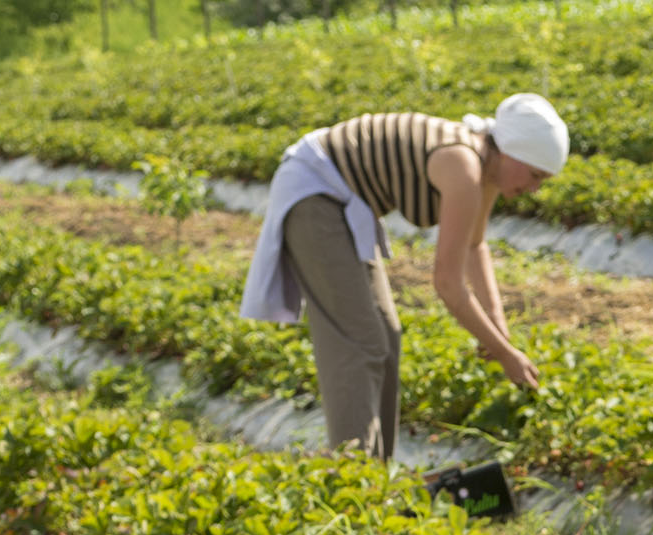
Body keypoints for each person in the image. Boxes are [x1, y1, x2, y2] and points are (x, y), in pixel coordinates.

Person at [237, 91, 567, 461]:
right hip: (316, 191)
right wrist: (507, 355)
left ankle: (378, 472)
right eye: (535, 175)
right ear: (511, 153)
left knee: (386, 336)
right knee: (360, 343)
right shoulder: (464, 167)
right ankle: (353, 476)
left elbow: (475, 246)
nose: (535, 189)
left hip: (346, 204)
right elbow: (447, 283)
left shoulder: (485, 169)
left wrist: (497, 324)